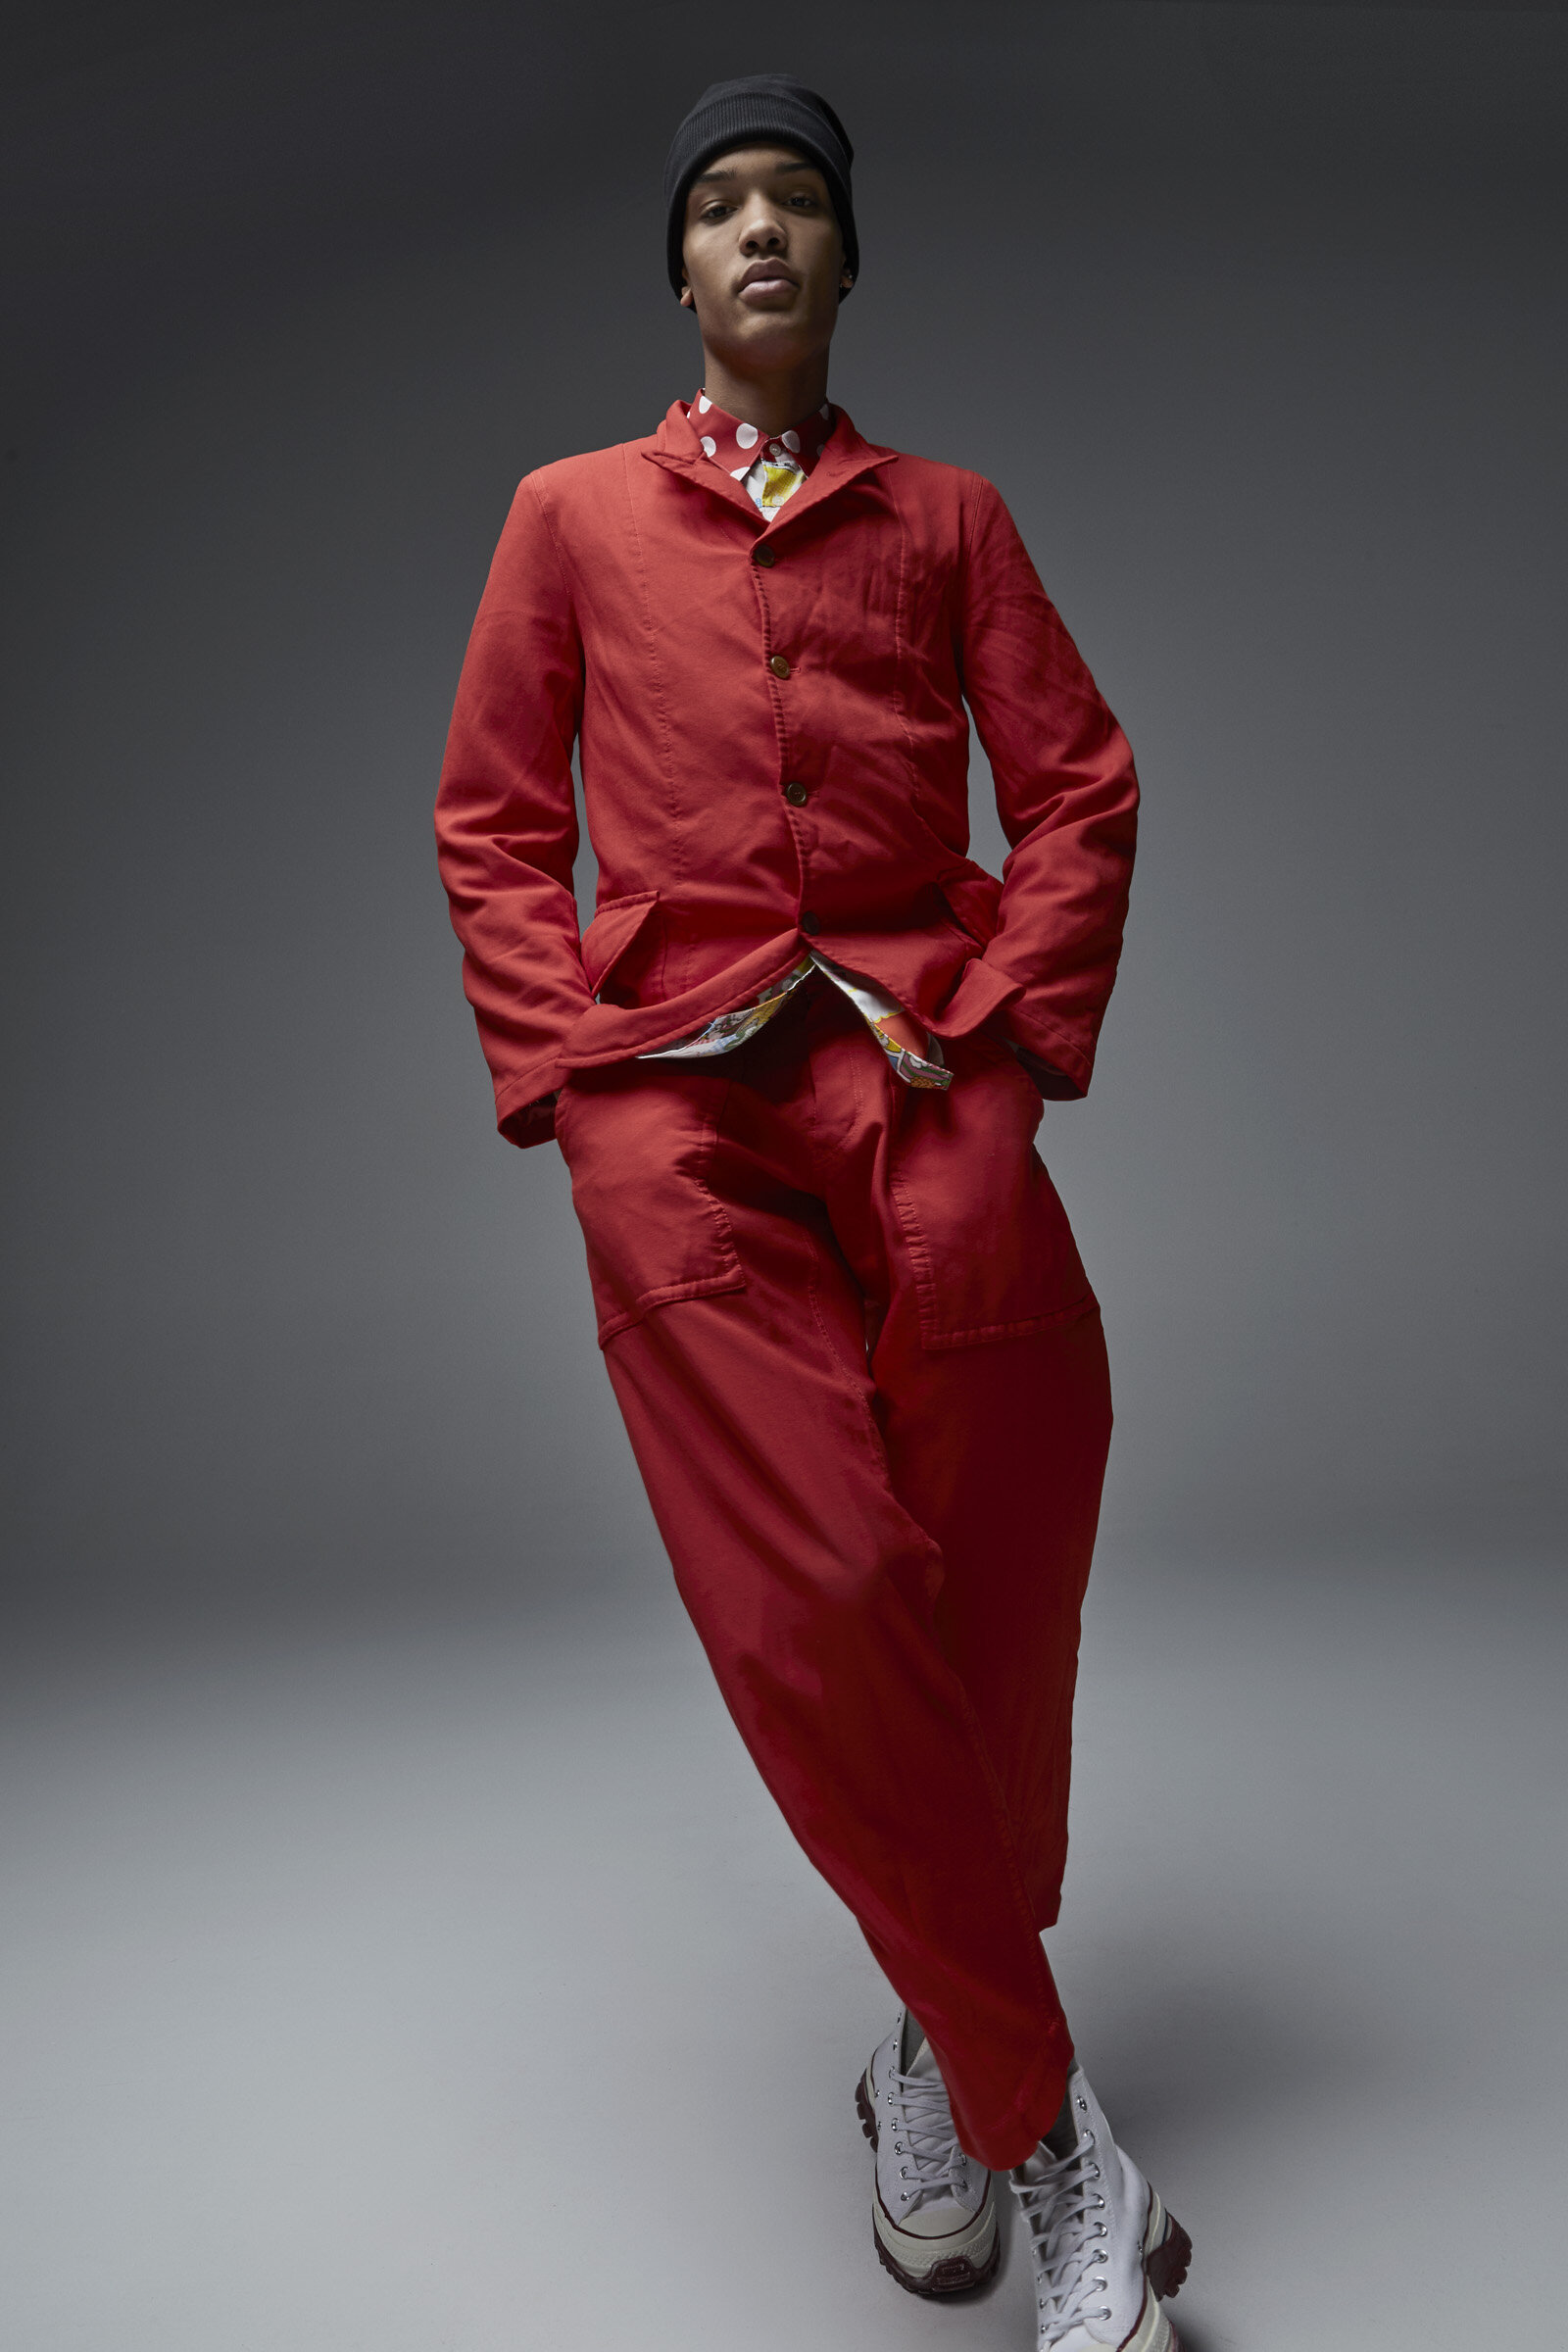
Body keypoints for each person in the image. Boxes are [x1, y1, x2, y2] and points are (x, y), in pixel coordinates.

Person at [435, 74, 1190, 2352]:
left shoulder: (946, 520)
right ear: (678, 271)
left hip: (919, 1074)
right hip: (673, 1107)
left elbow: (1075, 785)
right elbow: (493, 822)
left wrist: (1014, 1027)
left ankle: (926, 2052)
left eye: (795, 203)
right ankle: (1049, 2129)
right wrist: (571, 1073)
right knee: (823, 1589)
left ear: (847, 259)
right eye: (718, 206)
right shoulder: (568, 517)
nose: (758, 230)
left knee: (1002, 1544)